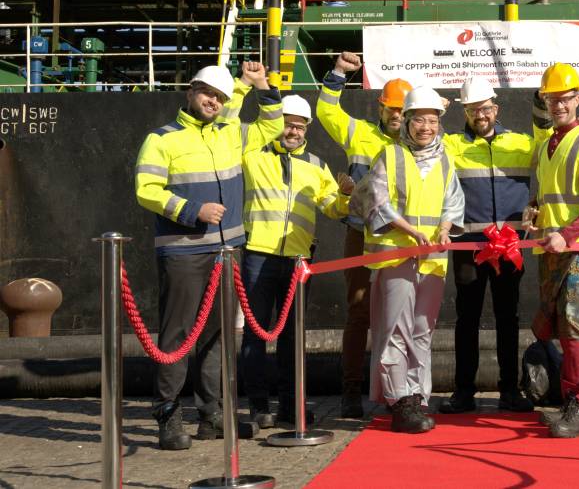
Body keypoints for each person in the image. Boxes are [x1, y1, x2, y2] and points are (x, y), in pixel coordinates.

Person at [135, 62, 282, 450]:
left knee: (218, 335)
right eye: (207, 94)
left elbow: (273, 126)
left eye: (219, 97)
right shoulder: (162, 139)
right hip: (183, 251)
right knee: (178, 335)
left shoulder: (231, 133)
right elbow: (146, 189)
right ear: (191, 92)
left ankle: (211, 415)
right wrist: (192, 211)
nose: (213, 101)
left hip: (226, 251)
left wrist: (261, 85)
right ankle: (168, 415)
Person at [350, 86, 464, 434]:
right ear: (407, 121)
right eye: (419, 120)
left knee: (422, 330)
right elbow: (377, 202)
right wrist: (411, 231)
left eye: (432, 121)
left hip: (432, 259)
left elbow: (453, 201)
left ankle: (418, 395)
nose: (426, 128)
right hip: (397, 256)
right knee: (395, 330)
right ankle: (399, 400)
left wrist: (445, 228)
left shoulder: (445, 160)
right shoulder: (390, 155)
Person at [239, 94, 355, 429]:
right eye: (288, 124)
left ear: (307, 129)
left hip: (299, 259)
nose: (293, 131)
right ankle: (258, 407)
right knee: (255, 334)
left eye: (299, 126)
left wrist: (345, 195)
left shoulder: (317, 164)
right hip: (257, 253)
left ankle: (291, 407)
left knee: (292, 336)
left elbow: (331, 207)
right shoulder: (251, 155)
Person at [437, 78, 548, 415]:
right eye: (473, 110)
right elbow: (423, 146)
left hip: (509, 247)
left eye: (485, 108)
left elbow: (548, 144)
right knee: (466, 319)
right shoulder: (452, 144)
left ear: (496, 109)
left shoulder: (520, 143)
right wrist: (436, 113)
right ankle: (463, 392)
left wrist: (540, 100)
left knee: (508, 318)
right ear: (465, 113)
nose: (480, 115)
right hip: (468, 247)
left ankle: (510, 391)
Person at [316, 51, 413, 418]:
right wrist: (339, 72)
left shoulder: (417, 142)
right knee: (359, 312)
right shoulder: (358, 132)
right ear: (380, 107)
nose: (396, 115)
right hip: (360, 234)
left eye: (402, 109)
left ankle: (395, 391)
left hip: (398, 238)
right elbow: (326, 111)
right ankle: (351, 392)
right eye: (391, 108)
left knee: (398, 315)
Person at [523, 63, 579, 438]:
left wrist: (568, 234)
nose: (558, 105)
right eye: (552, 99)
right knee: (557, 323)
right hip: (551, 247)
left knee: (574, 319)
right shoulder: (547, 145)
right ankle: (575, 401)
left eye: (565, 98)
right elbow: (550, 196)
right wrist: (534, 211)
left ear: (578, 99)